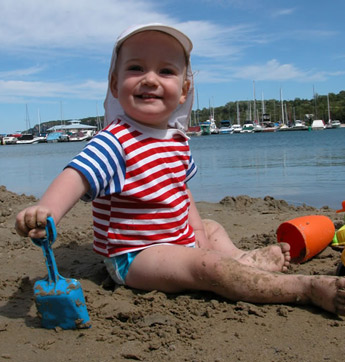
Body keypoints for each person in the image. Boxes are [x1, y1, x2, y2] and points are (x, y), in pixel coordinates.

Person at [15, 23, 345, 316]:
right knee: (208, 267)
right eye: (136, 67)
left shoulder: (177, 140)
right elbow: (77, 176)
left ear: (185, 90)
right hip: (135, 255)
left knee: (213, 228)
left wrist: (199, 235)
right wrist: (47, 211)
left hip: (177, 239)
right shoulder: (115, 141)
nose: (150, 79)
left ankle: (243, 259)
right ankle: (306, 289)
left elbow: (181, 191)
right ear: (115, 85)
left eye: (166, 71)